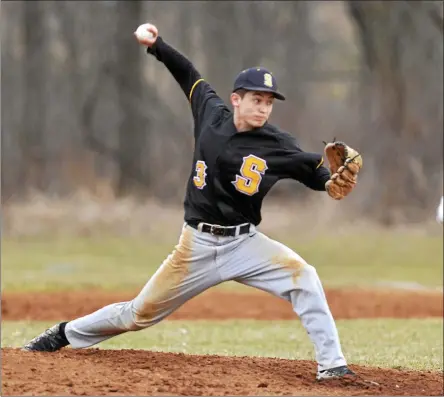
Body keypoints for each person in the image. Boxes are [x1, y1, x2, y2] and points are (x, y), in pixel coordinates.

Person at [23, 23, 359, 381]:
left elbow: (314, 170)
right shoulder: (210, 113)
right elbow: (188, 75)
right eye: (256, 99)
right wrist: (157, 45)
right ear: (236, 99)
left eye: (268, 102)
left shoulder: (277, 143)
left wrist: (330, 182)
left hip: (244, 244)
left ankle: (332, 365)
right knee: (138, 313)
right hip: (196, 245)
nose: (263, 108)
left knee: (304, 277)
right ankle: (63, 333)